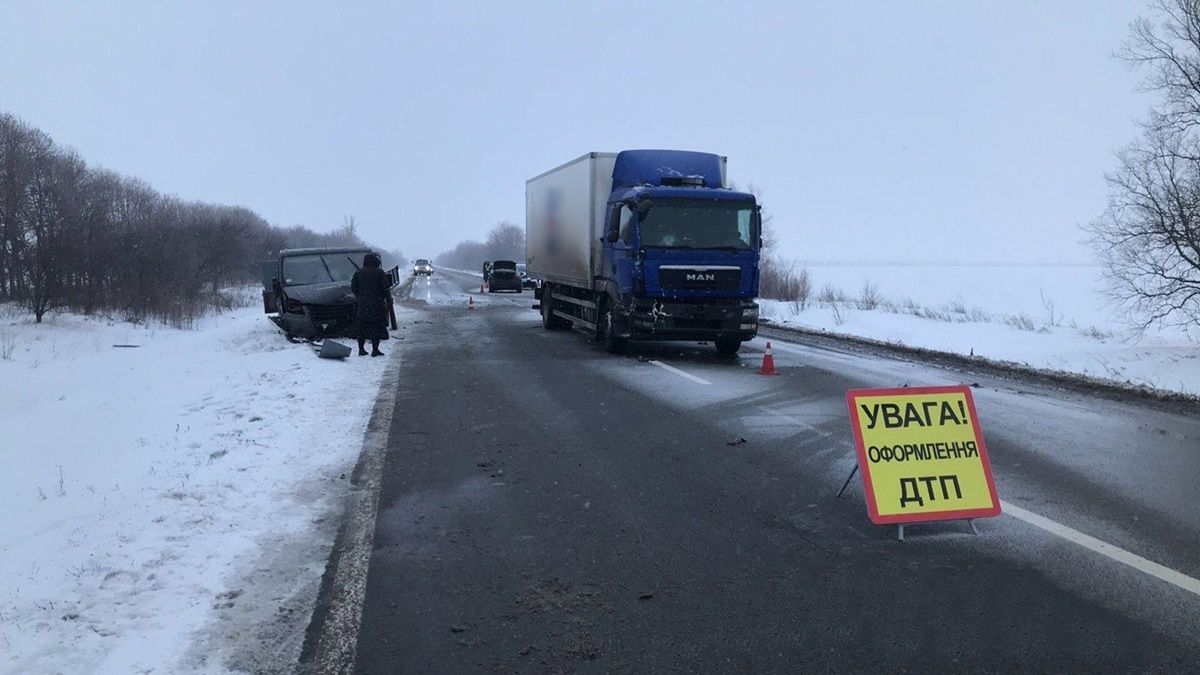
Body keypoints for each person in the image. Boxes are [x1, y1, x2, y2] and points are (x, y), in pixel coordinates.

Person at [351, 252, 390, 357]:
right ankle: (375, 350)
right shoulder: (379, 273)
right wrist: (382, 297)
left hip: (363, 305)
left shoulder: (358, 273)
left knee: (361, 329)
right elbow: (385, 288)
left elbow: (353, 288)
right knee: (376, 328)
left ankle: (361, 349)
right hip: (377, 305)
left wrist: (360, 296)